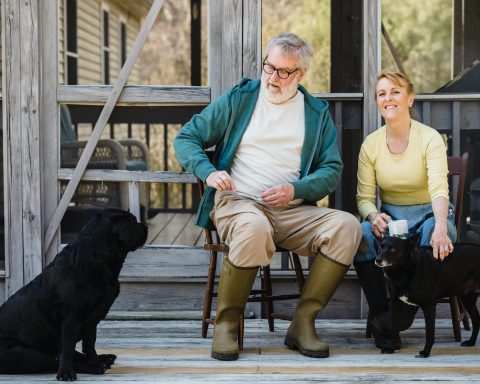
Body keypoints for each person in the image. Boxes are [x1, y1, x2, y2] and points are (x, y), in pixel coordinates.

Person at [174, 32, 361, 361]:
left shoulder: (315, 114)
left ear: (301, 75)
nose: (273, 78)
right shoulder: (241, 99)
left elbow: (331, 169)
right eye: (269, 67)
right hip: (239, 203)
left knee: (346, 227)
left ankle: (303, 322)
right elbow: (187, 137)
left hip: (292, 211)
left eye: (284, 72)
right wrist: (208, 171)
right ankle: (227, 323)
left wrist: (296, 190)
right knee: (254, 227)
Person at [354, 70, 457, 352]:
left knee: (432, 235)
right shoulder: (371, 144)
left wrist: (439, 225)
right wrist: (373, 216)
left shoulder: (430, 138)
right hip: (392, 221)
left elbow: (439, 188)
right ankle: (384, 312)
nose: (389, 98)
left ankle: (393, 322)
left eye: (396, 91)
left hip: (429, 214)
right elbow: (363, 197)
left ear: (410, 98)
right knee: (361, 234)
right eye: (382, 93)